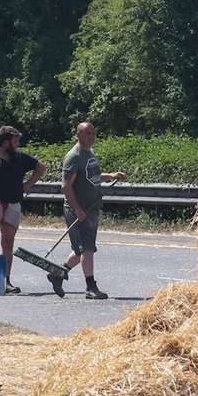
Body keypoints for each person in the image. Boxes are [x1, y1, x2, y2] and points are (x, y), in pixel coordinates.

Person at [60, 121, 126, 300]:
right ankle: (90, 287)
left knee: (83, 249)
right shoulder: (74, 156)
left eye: (93, 133)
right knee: (87, 249)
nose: (92, 137)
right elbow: (66, 186)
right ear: (79, 135)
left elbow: (92, 176)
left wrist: (111, 175)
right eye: (87, 133)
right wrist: (77, 209)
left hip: (91, 208)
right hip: (79, 210)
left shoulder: (89, 153)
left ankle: (58, 274)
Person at [0, 125, 42, 294]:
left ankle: (6, 281)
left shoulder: (19, 158)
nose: (18, 143)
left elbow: (41, 167)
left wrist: (28, 184)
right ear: (5, 142)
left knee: (8, 243)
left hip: (13, 202)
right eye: (16, 140)